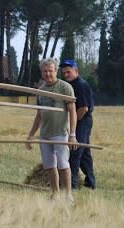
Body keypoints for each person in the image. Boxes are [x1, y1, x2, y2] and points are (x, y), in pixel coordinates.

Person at [25, 58, 78, 204]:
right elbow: (39, 115)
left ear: (56, 71)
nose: (48, 73)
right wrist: (30, 136)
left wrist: (72, 135)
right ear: (41, 72)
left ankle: (68, 195)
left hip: (60, 133)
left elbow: (72, 111)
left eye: (50, 70)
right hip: (45, 134)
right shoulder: (41, 91)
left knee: (63, 164)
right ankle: (55, 194)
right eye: (45, 71)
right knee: (49, 165)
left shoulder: (65, 87)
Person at [60, 59, 96, 189]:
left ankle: (72, 185)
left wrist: (72, 125)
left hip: (83, 120)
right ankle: (90, 183)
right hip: (79, 120)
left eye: (69, 72)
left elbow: (83, 108)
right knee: (84, 153)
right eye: (64, 73)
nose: (66, 75)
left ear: (76, 71)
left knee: (75, 151)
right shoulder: (69, 85)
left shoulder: (81, 85)